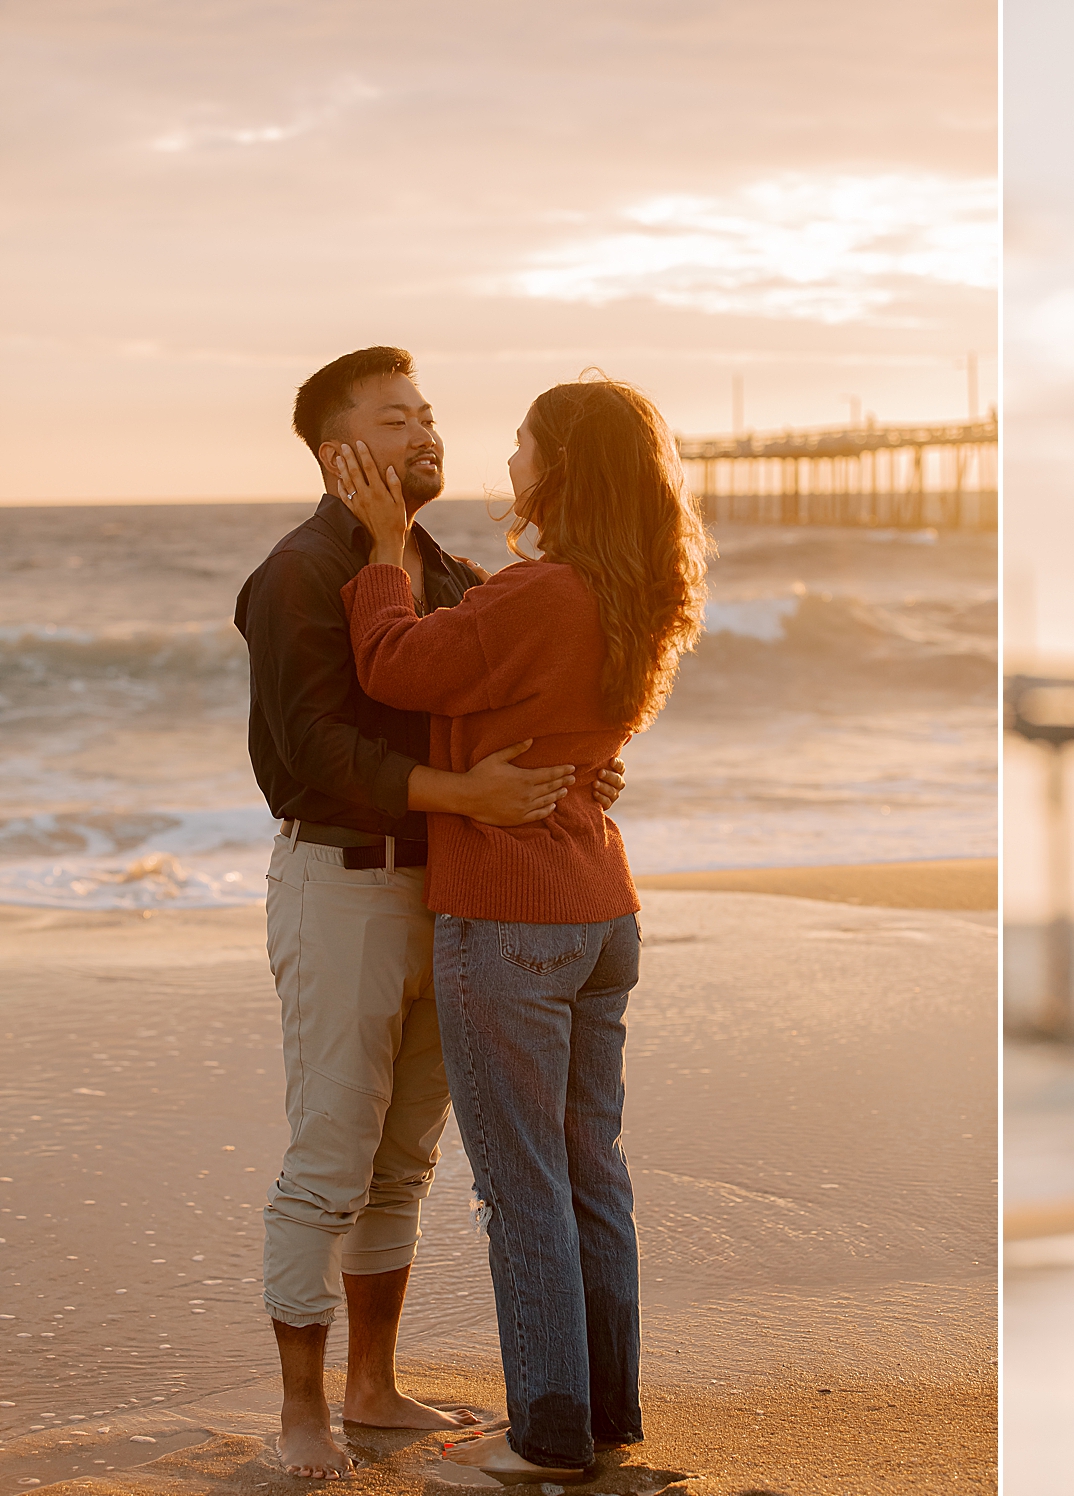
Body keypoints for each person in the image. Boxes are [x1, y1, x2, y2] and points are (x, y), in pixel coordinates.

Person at [236, 346, 627, 1480]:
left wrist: (579, 771)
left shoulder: (446, 568)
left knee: (402, 1161)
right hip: (341, 884)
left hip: (458, 895)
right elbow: (308, 750)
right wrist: (464, 791)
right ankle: (304, 1406)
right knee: (328, 1157)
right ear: (336, 449)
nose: (426, 433)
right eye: (396, 417)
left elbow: (505, 694)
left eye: (430, 412)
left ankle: (372, 1383)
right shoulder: (298, 572)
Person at [331, 373, 709, 1481]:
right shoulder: (636, 590)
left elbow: (393, 664)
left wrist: (381, 548)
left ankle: (547, 1433)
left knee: (524, 1183)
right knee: (592, 1171)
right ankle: (602, 1411)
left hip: (510, 912)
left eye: (522, 444)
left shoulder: (541, 594)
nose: (505, 462)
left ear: (563, 468)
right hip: (600, 911)